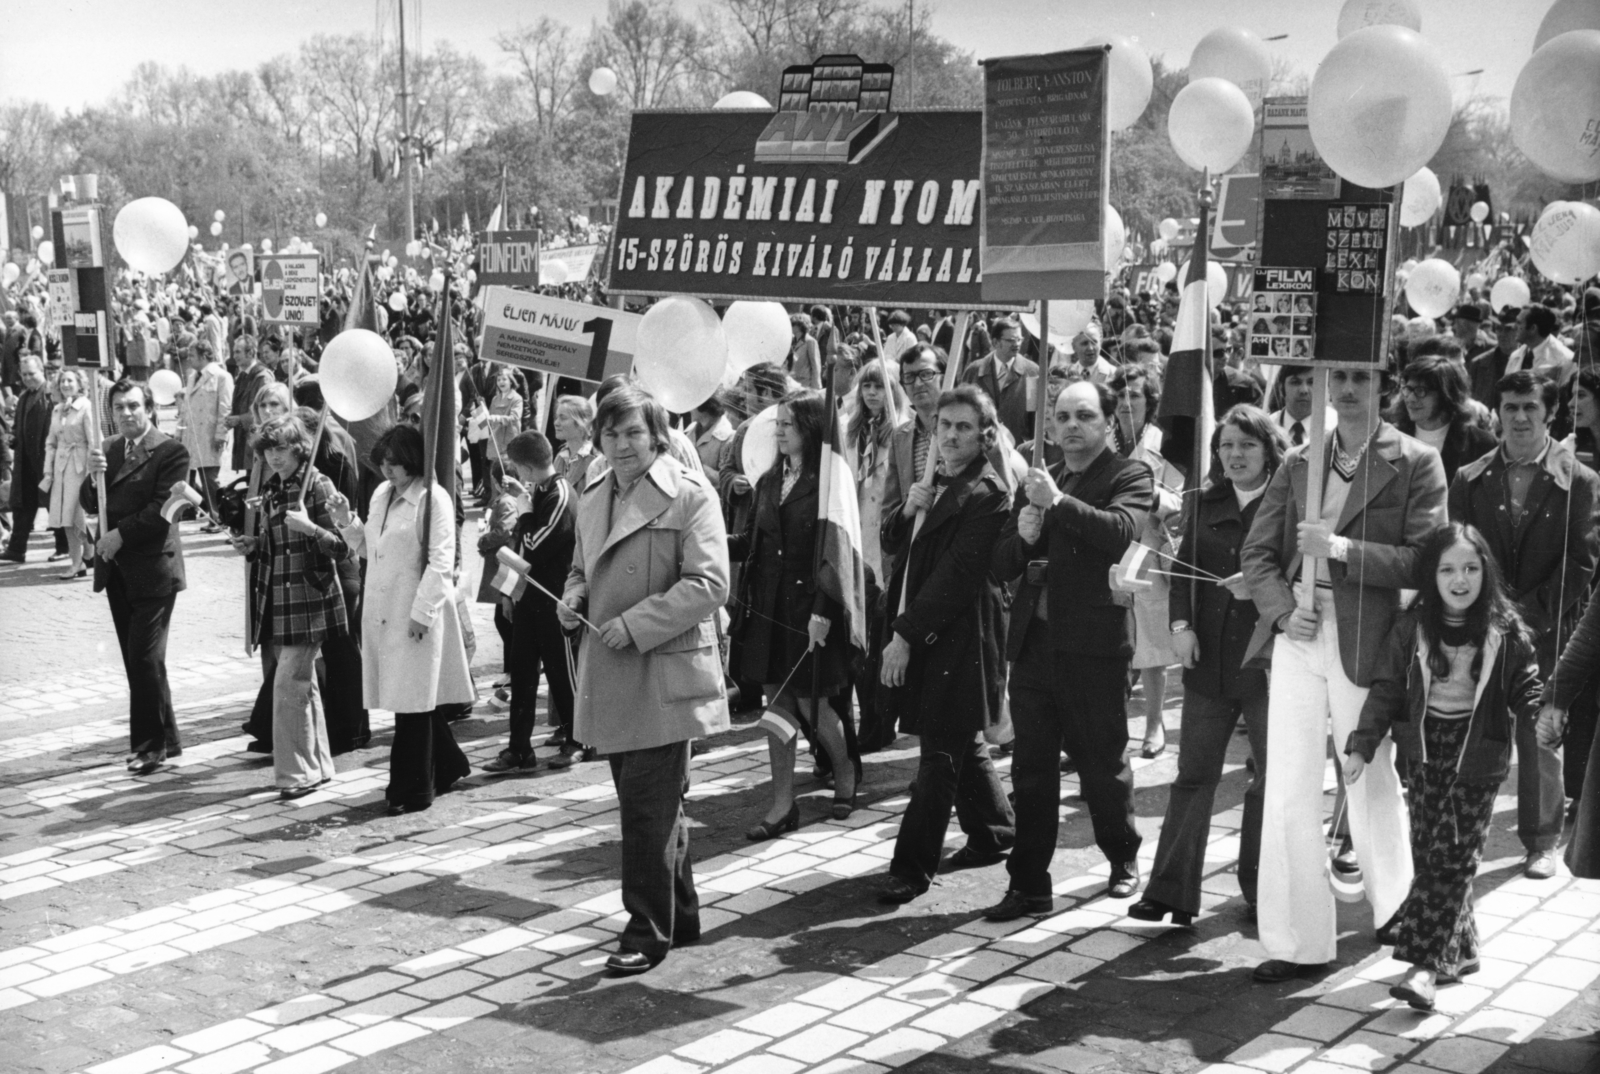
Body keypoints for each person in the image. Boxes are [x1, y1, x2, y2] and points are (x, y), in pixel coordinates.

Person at [1241, 365, 1447, 983]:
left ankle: (1401, 922)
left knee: (1369, 777)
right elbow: (1256, 552)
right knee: (1288, 784)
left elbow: (1425, 558)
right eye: (1341, 378)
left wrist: (1340, 549)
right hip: (1300, 631)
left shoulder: (1414, 461)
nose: (1350, 389)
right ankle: (1298, 940)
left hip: (1367, 634)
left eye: (1363, 377)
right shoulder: (1300, 459)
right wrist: (1279, 613)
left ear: (1383, 386)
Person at [558, 384, 730, 975]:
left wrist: (634, 624)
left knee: (645, 807)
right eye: (611, 433)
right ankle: (679, 911)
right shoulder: (592, 492)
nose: (622, 444)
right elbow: (582, 566)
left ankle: (646, 929)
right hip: (610, 672)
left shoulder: (689, 494)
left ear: (657, 435)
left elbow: (709, 585)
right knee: (652, 804)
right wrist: (573, 594)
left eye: (633, 432)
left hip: (663, 668)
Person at [1347, 523, 1541, 1011]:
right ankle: (1464, 953)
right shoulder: (1411, 627)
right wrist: (1361, 746)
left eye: (1471, 568)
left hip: (1478, 754)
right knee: (1431, 851)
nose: (1461, 579)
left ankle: (1423, 968)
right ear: (1431, 577)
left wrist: (1545, 714)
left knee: (1454, 858)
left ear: (1486, 574)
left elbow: (1528, 688)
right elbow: (1387, 690)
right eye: (1448, 569)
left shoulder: (1508, 631)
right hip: (1425, 752)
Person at [984, 380, 1154, 920]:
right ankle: (1028, 881)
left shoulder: (1129, 474)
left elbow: (1122, 532)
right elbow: (1000, 564)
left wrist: (1057, 505)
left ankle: (1122, 857)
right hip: (1035, 646)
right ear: (1051, 426)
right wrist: (1026, 533)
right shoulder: (1041, 479)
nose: (1072, 426)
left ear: (1109, 422)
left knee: (1101, 761)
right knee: (1032, 771)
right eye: (1062, 416)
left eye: (1085, 415)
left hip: (1095, 646)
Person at [1132, 406, 1284, 926]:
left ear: (1268, 450)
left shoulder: (1288, 501)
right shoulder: (1203, 502)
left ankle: (1263, 888)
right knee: (1193, 774)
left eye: (1246, 445)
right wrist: (1180, 629)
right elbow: (1182, 576)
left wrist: (1263, 587)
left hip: (1269, 662)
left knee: (1269, 776)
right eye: (1226, 446)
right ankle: (1170, 891)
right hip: (1208, 659)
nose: (1235, 455)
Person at [1447, 369, 1599, 879]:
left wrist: (1522, 616)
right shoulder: (1469, 477)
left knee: (1539, 736)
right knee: (1470, 728)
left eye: (1530, 407)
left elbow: (1582, 562)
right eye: (1509, 407)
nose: (1518, 417)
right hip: (1479, 626)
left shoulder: (1577, 480)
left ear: (1550, 413)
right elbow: (1458, 553)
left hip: (1547, 629)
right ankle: (1458, 829)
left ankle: (1541, 841)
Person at [875, 385, 1016, 903]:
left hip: (963, 636)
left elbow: (955, 577)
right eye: (945, 426)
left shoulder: (989, 494)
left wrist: (905, 637)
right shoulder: (934, 479)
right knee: (957, 735)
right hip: (929, 625)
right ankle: (996, 832)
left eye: (963, 427)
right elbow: (894, 544)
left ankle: (912, 867)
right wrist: (907, 510)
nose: (952, 436)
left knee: (938, 753)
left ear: (986, 435)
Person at [728, 389, 857, 839]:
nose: (778, 430)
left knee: (812, 703)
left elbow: (834, 552)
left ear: (810, 428)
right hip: (767, 611)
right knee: (776, 706)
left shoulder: (828, 483)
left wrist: (824, 610)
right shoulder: (767, 480)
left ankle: (844, 771)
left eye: (787, 423)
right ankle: (783, 804)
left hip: (809, 611)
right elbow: (752, 543)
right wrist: (708, 538)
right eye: (776, 423)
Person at [329, 424, 473, 815]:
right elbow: (367, 547)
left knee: (411, 701)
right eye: (384, 464)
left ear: (412, 460)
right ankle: (448, 765)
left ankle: (411, 788)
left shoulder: (433, 499)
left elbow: (442, 560)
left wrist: (423, 613)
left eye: (395, 464)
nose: (388, 471)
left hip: (414, 610)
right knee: (409, 696)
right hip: (382, 608)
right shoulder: (381, 494)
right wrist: (345, 521)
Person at [235, 414, 349, 798]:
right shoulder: (273, 489)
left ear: (299, 447)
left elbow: (344, 546)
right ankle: (318, 763)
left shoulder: (318, 485)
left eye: (282, 447)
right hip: (280, 599)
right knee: (304, 685)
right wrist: (254, 545)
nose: (274, 456)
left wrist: (313, 529)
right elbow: (276, 544)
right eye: (268, 449)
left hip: (311, 600)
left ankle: (296, 775)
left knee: (287, 686)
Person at [82, 379, 190, 774]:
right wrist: (90, 476)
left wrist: (117, 535)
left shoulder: (171, 451)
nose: (126, 414)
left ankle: (150, 747)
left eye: (133, 406)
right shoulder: (109, 448)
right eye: (119, 408)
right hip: (118, 571)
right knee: (141, 661)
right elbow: (91, 500)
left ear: (148, 407)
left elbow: (165, 510)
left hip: (155, 569)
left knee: (144, 657)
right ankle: (170, 737)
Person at [481, 431, 580, 772]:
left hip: (555, 599)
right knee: (521, 674)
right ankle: (518, 748)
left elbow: (535, 543)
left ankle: (578, 738)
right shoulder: (534, 490)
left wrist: (524, 511)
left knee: (561, 674)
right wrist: (508, 591)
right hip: (527, 598)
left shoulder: (560, 493)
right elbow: (518, 548)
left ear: (524, 465)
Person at [1112, 364, 1183, 758]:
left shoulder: (1163, 445)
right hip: (1108, 548)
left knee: (1150, 644)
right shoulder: (1104, 438)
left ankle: (1154, 726)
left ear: (1149, 400)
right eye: (1119, 396)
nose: (1125, 404)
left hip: (1147, 550)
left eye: (1134, 395)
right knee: (1112, 643)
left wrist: (1144, 494)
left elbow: (1178, 502)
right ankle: (1110, 729)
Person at [1395, 348, 1497, 483]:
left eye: (1420, 391)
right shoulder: (1391, 438)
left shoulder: (1480, 444)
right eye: (1408, 389)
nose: (1411, 398)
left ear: (1446, 395)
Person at [38, 367, 96, 580]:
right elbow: (50, 443)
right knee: (66, 517)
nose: (65, 385)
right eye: (62, 382)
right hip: (61, 470)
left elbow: (93, 441)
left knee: (75, 516)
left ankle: (80, 561)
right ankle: (81, 559)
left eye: (70, 381)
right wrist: (47, 471)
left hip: (79, 468)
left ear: (79, 384)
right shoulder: (57, 410)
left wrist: (92, 473)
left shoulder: (86, 407)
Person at [1, 356, 54, 565]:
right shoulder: (23, 396)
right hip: (26, 462)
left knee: (55, 505)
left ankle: (65, 547)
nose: (28, 378)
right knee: (22, 506)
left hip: (45, 461)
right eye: (24, 374)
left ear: (42, 371)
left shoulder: (50, 395)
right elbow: (17, 426)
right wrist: (13, 436)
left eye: (32, 373)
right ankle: (16, 549)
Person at [958, 317, 1037, 448]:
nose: (1017, 344)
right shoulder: (974, 371)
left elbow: (1036, 418)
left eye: (1019, 339)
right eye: (1011, 340)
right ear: (995, 342)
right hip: (979, 451)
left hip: (1018, 453)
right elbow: (961, 412)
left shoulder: (1032, 372)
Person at [180, 340, 233, 529]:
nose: (189, 359)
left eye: (192, 355)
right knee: (191, 476)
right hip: (193, 436)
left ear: (204, 356)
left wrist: (221, 434)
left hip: (210, 436)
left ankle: (220, 517)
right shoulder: (192, 376)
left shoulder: (221, 377)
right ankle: (203, 511)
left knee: (210, 479)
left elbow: (225, 408)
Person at [227, 336, 273, 475]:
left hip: (260, 441)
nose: (234, 356)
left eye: (238, 352)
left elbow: (267, 412)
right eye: (234, 352)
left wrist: (240, 419)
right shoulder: (243, 376)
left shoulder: (263, 377)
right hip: (247, 440)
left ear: (251, 353)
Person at [1270, 364, 1337, 448]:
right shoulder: (1268, 427)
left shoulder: (1336, 426)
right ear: (1281, 388)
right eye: (1295, 382)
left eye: (1312, 382)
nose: (1304, 390)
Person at [1468, 309, 1522, 412]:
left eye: (1508, 329)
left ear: (1520, 330)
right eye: (1498, 328)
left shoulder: (1529, 360)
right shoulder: (1479, 363)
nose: (1502, 334)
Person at [1508, 305, 1575, 387]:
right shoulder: (1516, 355)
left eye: (1518, 323)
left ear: (1533, 328)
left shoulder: (1565, 360)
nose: (1514, 327)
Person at [552, 394, 599, 493]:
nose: (556, 422)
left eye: (563, 418)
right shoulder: (560, 456)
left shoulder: (595, 460)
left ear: (581, 423)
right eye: (557, 417)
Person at [788, 313, 822, 389]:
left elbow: (815, 365)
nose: (790, 326)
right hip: (792, 381)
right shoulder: (792, 341)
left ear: (800, 326)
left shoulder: (810, 341)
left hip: (805, 382)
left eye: (793, 324)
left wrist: (816, 385)